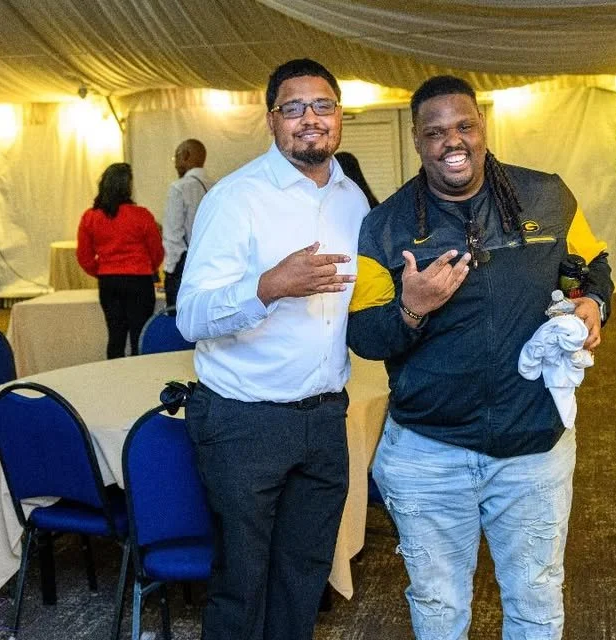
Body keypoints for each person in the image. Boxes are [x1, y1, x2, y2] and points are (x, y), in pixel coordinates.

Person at [347, 75, 614, 639]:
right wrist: (412, 309)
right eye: (435, 132)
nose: (453, 141)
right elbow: (365, 336)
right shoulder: (384, 227)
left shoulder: (548, 196)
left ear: (482, 127)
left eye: (464, 125)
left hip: (532, 446)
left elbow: (592, 267)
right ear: (417, 140)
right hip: (428, 452)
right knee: (439, 609)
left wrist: (593, 303)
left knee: (536, 600)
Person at [175, 59, 369, 640]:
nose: (310, 118)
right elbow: (190, 316)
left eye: (323, 105)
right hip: (244, 423)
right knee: (241, 584)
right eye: (294, 107)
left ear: (339, 116)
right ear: (271, 120)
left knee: (303, 579)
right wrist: (268, 286)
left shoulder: (353, 200)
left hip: (325, 418)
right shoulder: (236, 198)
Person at [76, 162, 164, 359]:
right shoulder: (142, 215)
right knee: (139, 336)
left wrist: (102, 270)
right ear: (127, 187)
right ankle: (139, 374)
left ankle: (113, 375)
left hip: (109, 282)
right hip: (139, 281)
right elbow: (156, 251)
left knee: (115, 336)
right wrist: (149, 267)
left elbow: (84, 256)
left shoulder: (90, 217)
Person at [162, 138, 212, 311]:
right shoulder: (218, 186)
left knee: (180, 320)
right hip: (211, 268)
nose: (175, 164)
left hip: (184, 268)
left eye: (176, 157)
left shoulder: (179, 188)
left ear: (185, 155)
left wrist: (170, 271)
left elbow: (172, 236)